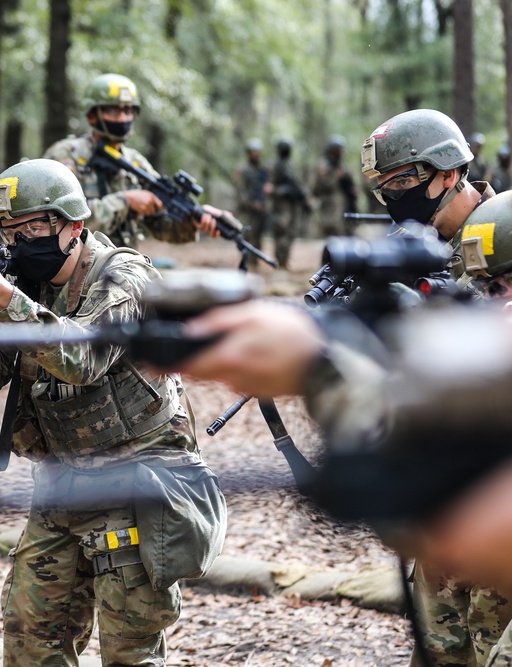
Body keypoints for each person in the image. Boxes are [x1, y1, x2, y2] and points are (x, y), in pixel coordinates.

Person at [178, 109, 510, 666]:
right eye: (384, 189)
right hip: (436, 509)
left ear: (448, 173)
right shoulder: (408, 247)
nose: (395, 197)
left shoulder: (506, 230)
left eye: (404, 181)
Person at [0, 158, 227, 666]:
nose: (18, 240)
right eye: (9, 230)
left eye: (33, 226)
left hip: (137, 482)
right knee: (31, 638)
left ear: (73, 226)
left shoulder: (124, 275)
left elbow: (83, 361)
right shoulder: (24, 286)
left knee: (129, 652)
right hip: (63, 483)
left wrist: (9, 300)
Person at [43, 73, 217, 249]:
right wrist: (125, 201)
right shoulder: (67, 155)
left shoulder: (136, 163)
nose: (123, 119)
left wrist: (194, 221)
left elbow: (162, 228)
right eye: (113, 111)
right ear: (92, 116)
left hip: (124, 268)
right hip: (75, 269)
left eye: (128, 111)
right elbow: (55, 222)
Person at [266, 136, 311, 268]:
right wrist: (281, 191)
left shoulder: (291, 165)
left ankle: (285, 260)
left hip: (292, 203)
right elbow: (269, 188)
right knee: (281, 231)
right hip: (281, 204)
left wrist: (303, 198)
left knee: (291, 232)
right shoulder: (274, 165)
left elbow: (297, 184)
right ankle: (280, 261)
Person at [233, 138, 271, 269]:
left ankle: (255, 263)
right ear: (249, 154)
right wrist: (251, 204)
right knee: (247, 236)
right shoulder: (243, 170)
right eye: (253, 152)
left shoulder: (263, 170)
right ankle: (247, 264)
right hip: (247, 210)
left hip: (260, 209)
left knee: (258, 236)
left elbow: (266, 187)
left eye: (258, 152)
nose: (256, 155)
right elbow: (240, 191)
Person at [311, 135, 358, 237]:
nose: (339, 153)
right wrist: (335, 178)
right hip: (328, 206)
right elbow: (316, 189)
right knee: (331, 230)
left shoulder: (343, 166)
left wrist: (353, 190)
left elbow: (351, 183)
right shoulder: (324, 167)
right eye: (337, 150)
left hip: (345, 206)